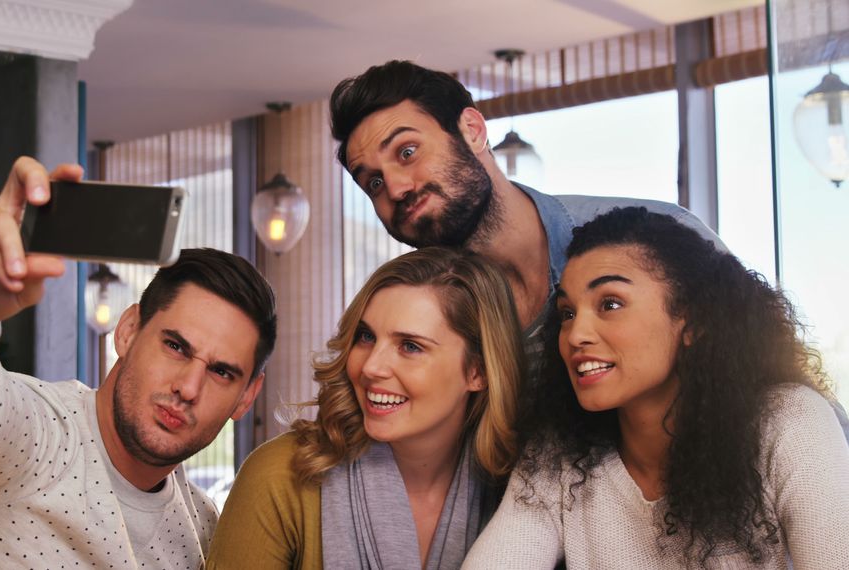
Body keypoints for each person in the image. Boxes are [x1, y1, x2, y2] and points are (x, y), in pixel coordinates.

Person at [0, 157, 277, 569]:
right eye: (176, 347)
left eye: (221, 371)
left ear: (246, 397)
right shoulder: (32, 435)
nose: (189, 386)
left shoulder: (200, 531)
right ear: (128, 331)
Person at [462, 207, 849, 569]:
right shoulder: (558, 457)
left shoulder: (789, 420)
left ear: (694, 322)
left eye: (610, 304)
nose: (576, 334)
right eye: (567, 313)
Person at [329, 60, 722, 351]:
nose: (395, 188)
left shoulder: (659, 236)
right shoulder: (425, 325)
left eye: (408, 151)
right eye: (373, 182)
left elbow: (762, 384)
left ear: (472, 131)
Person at [206, 247, 526, 569]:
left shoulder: (522, 492)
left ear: (478, 371)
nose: (371, 366)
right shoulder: (279, 477)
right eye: (366, 336)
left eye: (410, 346)